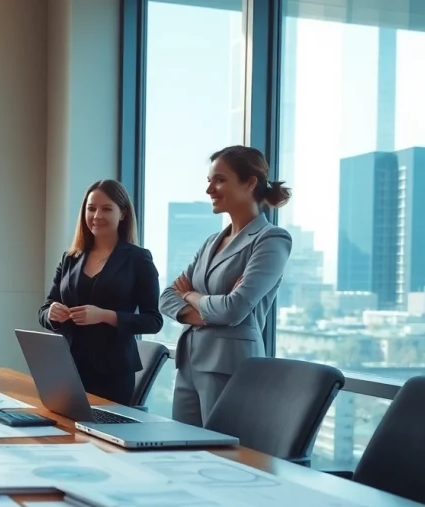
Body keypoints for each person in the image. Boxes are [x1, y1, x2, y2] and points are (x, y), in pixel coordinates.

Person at [160, 145, 292, 426]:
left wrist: (191, 294)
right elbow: (166, 297)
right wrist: (202, 313)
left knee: (222, 458)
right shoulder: (211, 242)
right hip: (188, 364)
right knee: (181, 456)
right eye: (209, 181)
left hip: (230, 366)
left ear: (250, 182)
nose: (210, 190)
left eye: (219, 180)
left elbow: (233, 309)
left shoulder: (271, 240)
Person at [38, 179, 162, 405]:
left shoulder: (138, 259)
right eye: (91, 208)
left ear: (123, 213)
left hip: (112, 374)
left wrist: (104, 315)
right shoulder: (70, 258)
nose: (97, 216)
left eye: (107, 209)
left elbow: (153, 321)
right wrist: (51, 313)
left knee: (102, 437)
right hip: (67, 368)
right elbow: (45, 310)